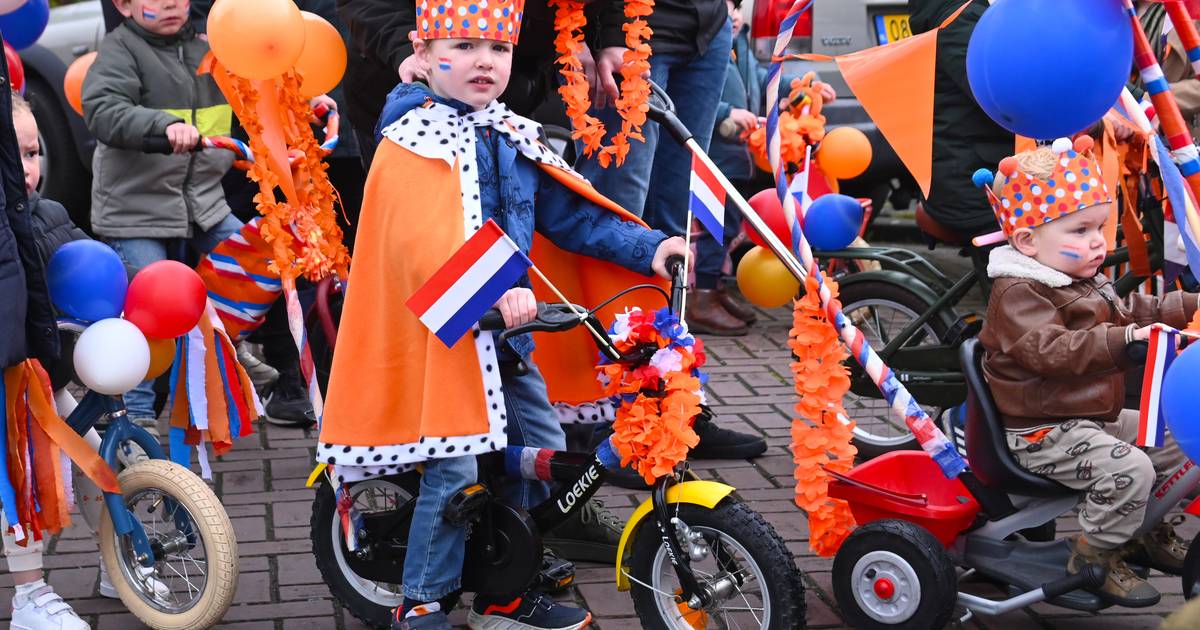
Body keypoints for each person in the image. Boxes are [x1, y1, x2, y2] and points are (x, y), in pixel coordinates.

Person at [316, 1, 689, 626]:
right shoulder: (412, 136)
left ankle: (506, 590)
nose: (483, 61)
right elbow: (415, 247)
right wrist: (490, 292)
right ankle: (422, 603)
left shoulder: (510, 131)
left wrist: (649, 248)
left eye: (498, 49)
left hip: (507, 339)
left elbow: (570, 214)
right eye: (462, 47)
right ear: (423, 55)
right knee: (455, 468)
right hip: (439, 344)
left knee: (538, 448)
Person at [978, 140, 1194, 607]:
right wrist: (1126, 340)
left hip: (1087, 416)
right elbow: (1051, 351)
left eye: (1100, 226)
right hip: (1041, 430)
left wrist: (1188, 307)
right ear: (1027, 241)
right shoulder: (1019, 293)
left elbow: (1130, 309)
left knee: (1176, 436)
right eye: (1080, 230)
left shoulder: (1078, 276)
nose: (1098, 240)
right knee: (1131, 468)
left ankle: (1144, 530)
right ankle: (1094, 555)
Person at [80, 0, 243, 434]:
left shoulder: (211, 47)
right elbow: (102, 108)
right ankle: (135, 412)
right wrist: (162, 125)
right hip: (136, 208)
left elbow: (256, 88)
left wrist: (300, 99)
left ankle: (228, 349)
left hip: (202, 203)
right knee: (149, 306)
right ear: (123, 5)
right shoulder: (121, 49)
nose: (169, 3)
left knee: (254, 264)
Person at [573, 0, 740, 336]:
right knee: (618, 202)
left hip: (708, 27)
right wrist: (600, 34)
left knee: (678, 206)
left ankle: (661, 342)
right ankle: (604, 337)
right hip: (630, 28)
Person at [336, 0, 629, 168]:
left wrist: (614, 36)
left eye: (498, 49)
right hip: (406, 95)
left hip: (510, 102)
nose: (485, 61)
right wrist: (405, 50)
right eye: (468, 47)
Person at [910, 0, 1013, 239]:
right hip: (974, 185)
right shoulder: (960, 19)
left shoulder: (968, 12)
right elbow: (1001, 98)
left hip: (984, 169)